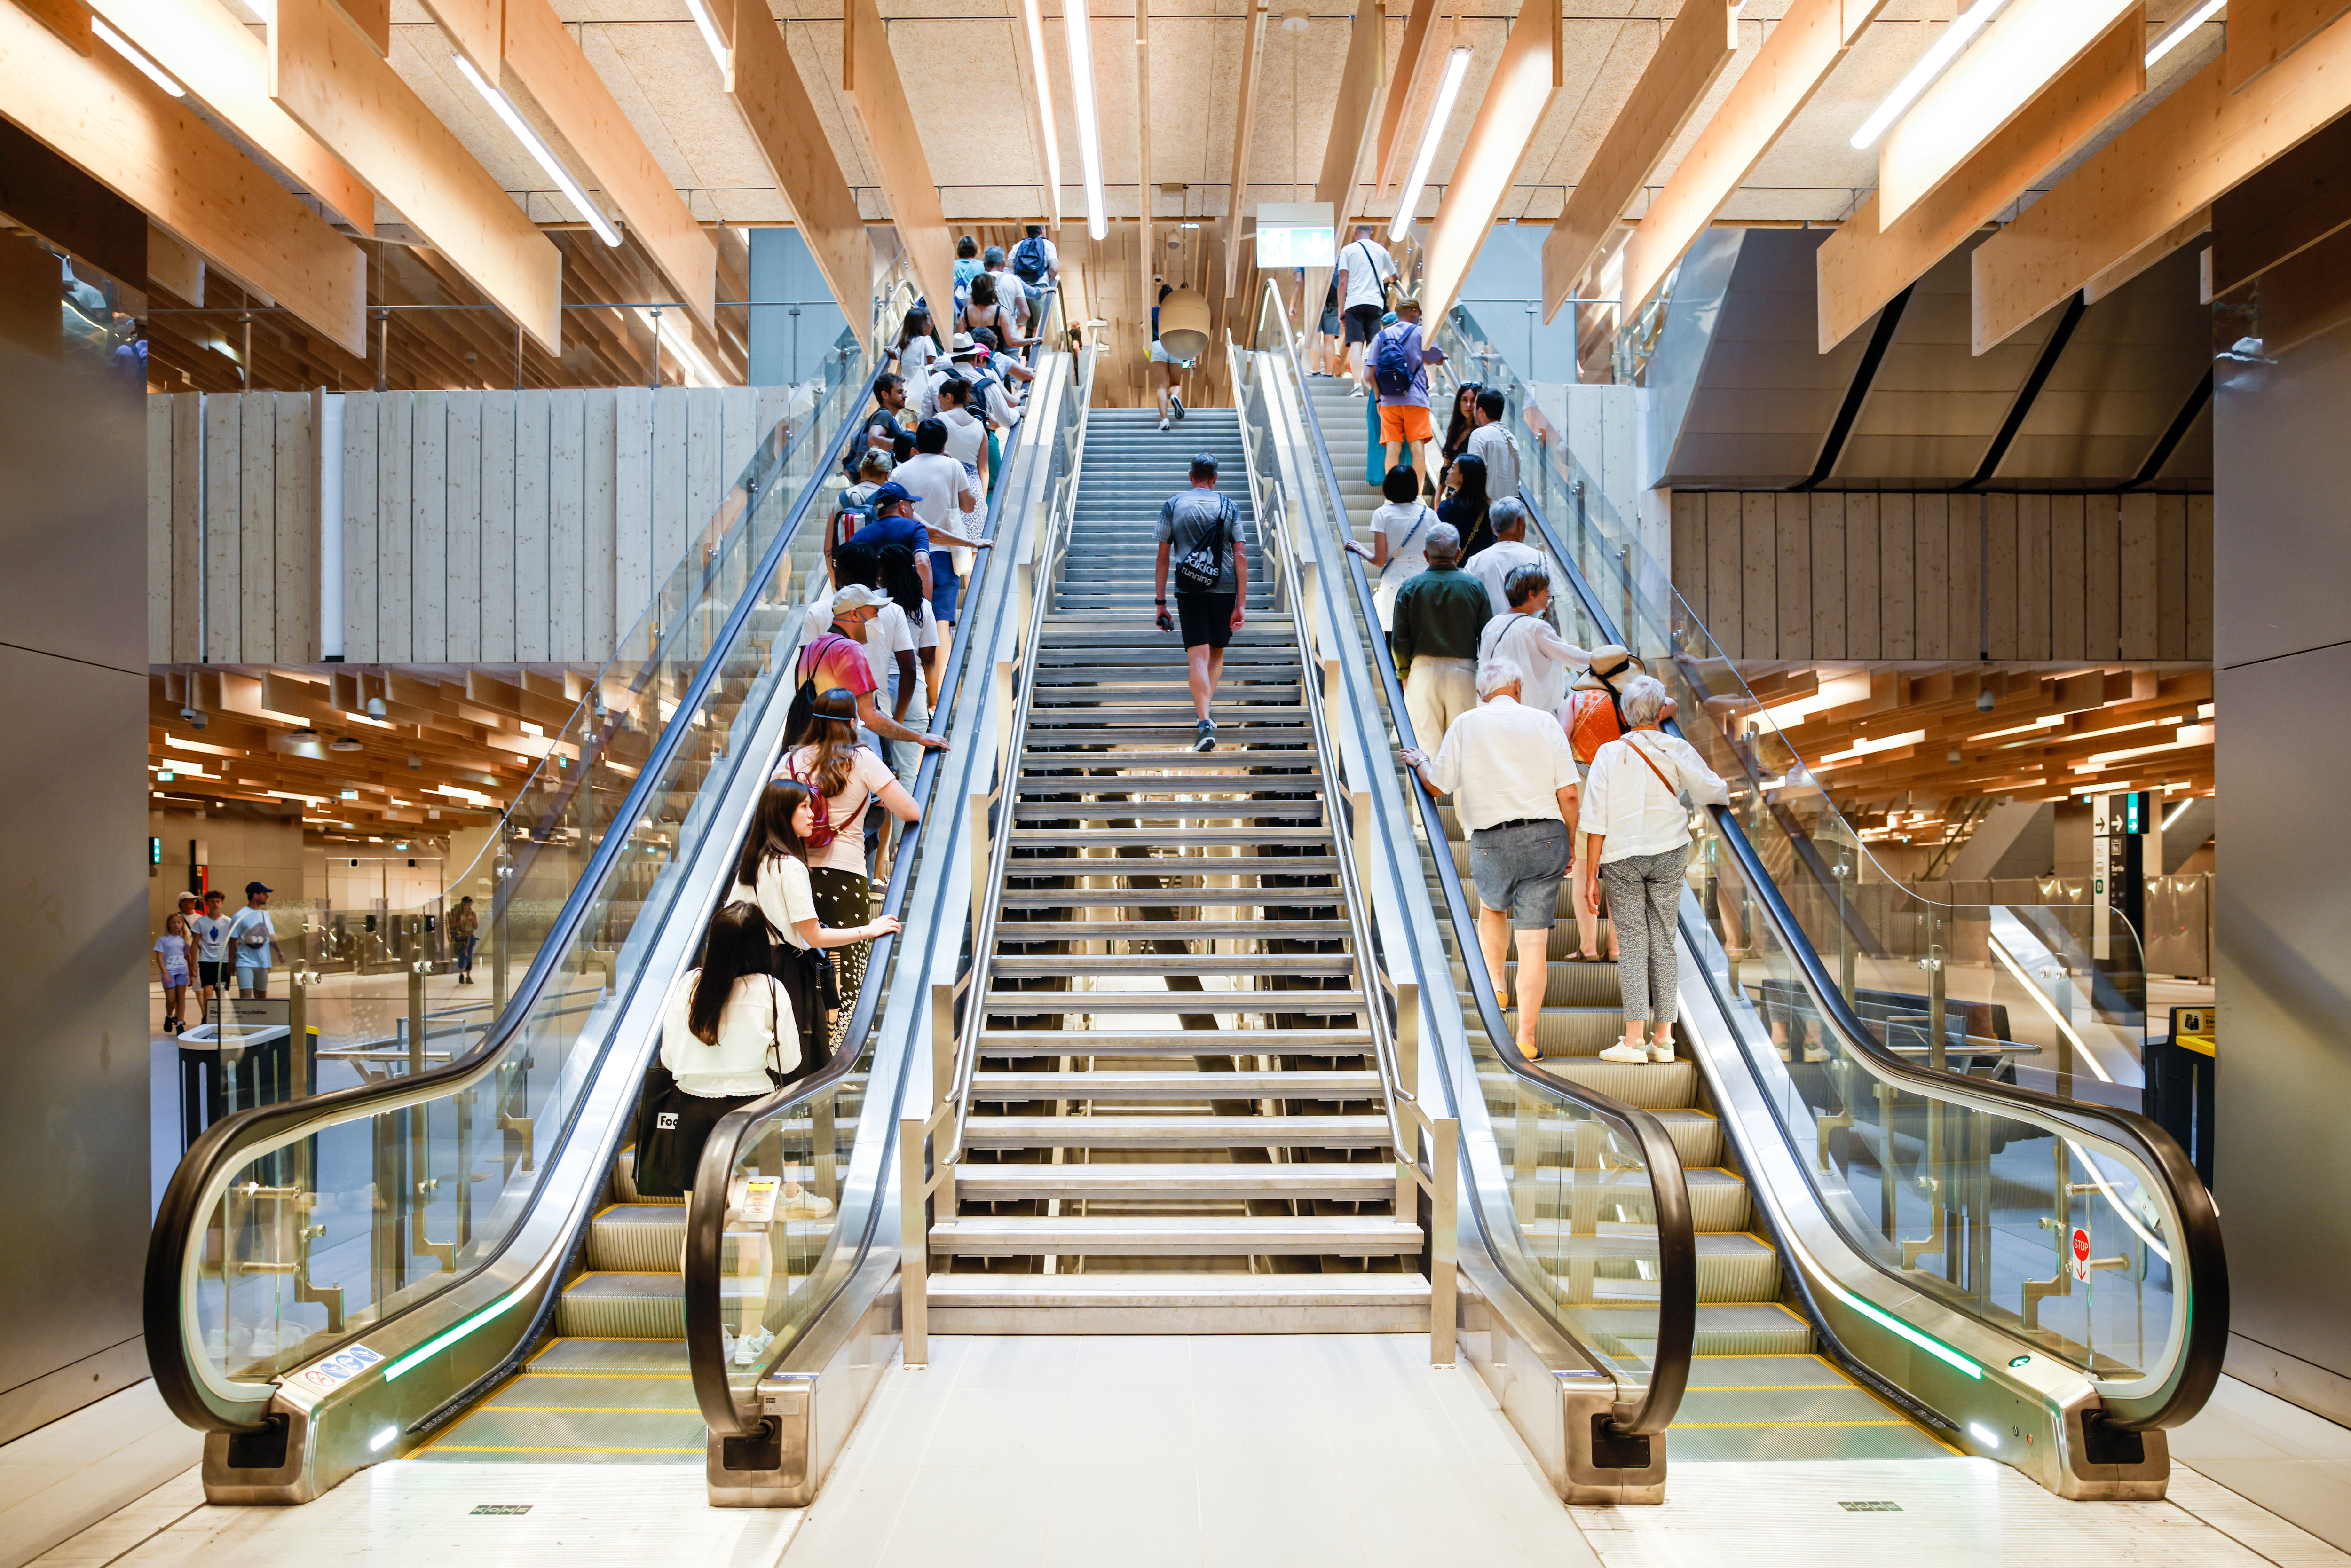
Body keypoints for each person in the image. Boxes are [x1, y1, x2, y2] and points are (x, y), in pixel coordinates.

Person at [1400, 657, 1580, 1061]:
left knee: (1492, 908)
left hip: (1490, 839)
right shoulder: (1545, 722)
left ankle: (1497, 986)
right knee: (1534, 942)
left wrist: (1420, 761)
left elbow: (1437, 785)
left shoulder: (1467, 723)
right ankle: (1527, 1038)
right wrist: (1569, 841)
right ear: (1517, 687)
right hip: (1545, 838)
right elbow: (1569, 793)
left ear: (1481, 693)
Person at [1578, 675, 1730, 1065]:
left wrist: (1592, 874)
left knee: (1633, 943)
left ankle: (1633, 1040)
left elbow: (1595, 819)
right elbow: (1712, 790)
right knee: (1663, 940)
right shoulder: (1676, 748)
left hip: (1622, 855)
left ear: (1625, 714)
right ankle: (1664, 1040)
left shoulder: (1608, 754)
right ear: (1662, 711)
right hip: (1668, 851)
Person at [730, 777, 903, 1075]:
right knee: (800, 1054)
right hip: (790, 971)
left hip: (754, 968)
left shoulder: (754, 863)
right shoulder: (791, 866)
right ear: (783, 814)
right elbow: (814, 935)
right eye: (805, 807)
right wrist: (869, 929)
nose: (813, 814)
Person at [779, 688, 924, 1042]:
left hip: (797, 874)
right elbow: (911, 811)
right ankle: (836, 1048)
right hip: (846, 878)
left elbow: (772, 811)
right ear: (852, 720)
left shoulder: (793, 762)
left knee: (798, 966)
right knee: (845, 968)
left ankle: (802, 1051)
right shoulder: (862, 760)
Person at [640, 904, 794, 1202]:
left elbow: (670, 1059)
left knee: (697, 1223)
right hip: (753, 1111)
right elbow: (788, 1062)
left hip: (691, 1111)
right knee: (755, 1223)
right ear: (759, 944)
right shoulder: (771, 990)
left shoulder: (689, 985)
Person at [1152, 452, 1247, 753]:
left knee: (1198, 654)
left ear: (1190, 476)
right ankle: (1206, 712)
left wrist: (1161, 603)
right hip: (1226, 587)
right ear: (1215, 478)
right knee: (1217, 650)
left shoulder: (1174, 504)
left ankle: (1204, 721)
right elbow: (1242, 556)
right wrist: (1242, 603)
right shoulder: (1229, 506)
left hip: (1189, 588)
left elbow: (1163, 557)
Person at [796, 582, 948, 758]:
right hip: (846, 750)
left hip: (817, 747)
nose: (878, 619)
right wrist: (919, 736)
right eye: (875, 612)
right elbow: (868, 715)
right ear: (855, 614)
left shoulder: (814, 647)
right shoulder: (849, 649)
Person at [1388, 522, 1488, 748]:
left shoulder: (1410, 587)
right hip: (1464, 672)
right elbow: (1488, 635)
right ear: (1459, 553)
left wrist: (1404, 673)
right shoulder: (1475, 587)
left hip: (1422, 673)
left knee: (1425, 749)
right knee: (1462, 747)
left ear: (1425, 555)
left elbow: (1400, 639)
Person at [893, 425, 988, 629]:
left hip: (907, 554)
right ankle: (943, 662)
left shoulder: (898, 473)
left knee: (908, 620)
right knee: (941, 622)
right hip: (944, 553)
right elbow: (969, 506)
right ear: (944, 443)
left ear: (917, 442)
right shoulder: (953, 466)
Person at [1369, 296, 1448, 494]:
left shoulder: (1382, 335)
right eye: (1419, 313)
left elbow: (1372, 371)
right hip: (1416, 400)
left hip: (1388, 401)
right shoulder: (1421, 332)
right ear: (1414, 312)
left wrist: (1379, 400)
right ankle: (1418, 495)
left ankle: (1391, 496)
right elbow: (1435, 359)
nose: (1420, 317)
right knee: (1417, 447)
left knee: (1392, 448)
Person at [1335, 225, 1396, 391]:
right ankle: (1372, 384)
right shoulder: (1381, 250)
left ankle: (1357, 386)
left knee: (1356, 343)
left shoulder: (1347, 250)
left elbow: (1343, 281)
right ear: (1371, 233)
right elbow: (1394, 277)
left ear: (1355, 233)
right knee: (1374, 344)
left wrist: (1342, 310)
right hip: (1375, 303)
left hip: (1354, 303)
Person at [1464, 497, 1546, 616]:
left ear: (1493, 529)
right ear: (1520, 523)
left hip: (1489, 632)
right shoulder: (1540, 559)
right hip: (1531, 632)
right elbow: (1549, 604)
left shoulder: (1475, 562)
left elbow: (1469, 606)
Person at [224, 882, 282, 999]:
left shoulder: (265, 915)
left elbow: (271, 936)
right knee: (246, 996)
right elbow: (232, 940)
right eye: (264, 894)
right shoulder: (240, 916)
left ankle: (260, 1017)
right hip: (245, 962)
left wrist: (280, 952)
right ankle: (246, 1017)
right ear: (256, 895)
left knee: (261, 996)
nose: (267, 896)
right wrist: (232, 962)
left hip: (263, 962)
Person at [1465, 386, 1521, 504]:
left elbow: (1473, 477)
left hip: (1487, 512)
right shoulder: (1511, 438)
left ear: (1481, 411)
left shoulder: (1479, 435)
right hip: (1510, 511)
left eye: (1475, 408)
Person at [1147, 284, 1188, 433]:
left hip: (1158, 344)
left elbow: (1142, 329)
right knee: (1175, 383)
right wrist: (1190, 357)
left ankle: (1165, 420)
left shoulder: (1152, 311)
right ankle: (1176, 397)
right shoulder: (1179, 313)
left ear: (1159, 298)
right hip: (1176, 345)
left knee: (1161, 386)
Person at [1439, 452, 1493, 559]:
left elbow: (1441, 544)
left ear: (1462, 477)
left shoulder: (1447, 508)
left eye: (1453, 468)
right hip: (1480, 569)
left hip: (1455, 571)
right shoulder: (1488, 510)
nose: (1449, 471)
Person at [962, 272, 1030, 355]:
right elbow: (1012, 342)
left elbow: (961, 339)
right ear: (992, 291)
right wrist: (1031, 341)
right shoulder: (1000, 312)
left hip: (973, 359)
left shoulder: (966, 312)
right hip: (996, 358)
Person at [192, 888, 229, 1026]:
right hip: (206, 960)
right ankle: (208, 1018)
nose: (215, 904)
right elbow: (195, 943)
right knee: (208, 989)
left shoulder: (228, 922)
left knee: (221, 991)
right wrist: (193, 964)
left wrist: (233, 962)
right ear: (207, 903)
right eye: (212, 902)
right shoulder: (201, 922)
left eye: (218, 902)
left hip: (223, 961)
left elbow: (233, 942)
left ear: (222, 904)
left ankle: (221, 1019)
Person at [154, 911, 192, 1034]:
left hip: (182, 970)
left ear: (182, 925)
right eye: (173, 923)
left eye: (179, 922)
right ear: (169, 925)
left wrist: (192, 971)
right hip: (169, 971)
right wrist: (164, 972)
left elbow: (188, 956)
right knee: (171, 999)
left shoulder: (184, 940)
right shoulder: (163, 940)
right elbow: (160, 957)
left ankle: (180, 1024)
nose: (176, 925)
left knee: (181, 998)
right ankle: (169, 1016)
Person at [1010, 224, 1059, 304]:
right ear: (1042, 229)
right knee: (1043, 315)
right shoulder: (1048, 244)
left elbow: (1010, 269)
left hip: (1021, 289)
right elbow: (1054, 269)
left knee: (1025, 315)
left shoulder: (1018, 246)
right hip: (1041, 285)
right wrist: (1050, 278)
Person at [892, 304, 940, 380]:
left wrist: (888, 349)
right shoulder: (926, 340)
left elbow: (893, 354)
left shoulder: (904, 345)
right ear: (921, 325)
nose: (931, 324)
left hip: (907, 386)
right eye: (928, 321)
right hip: (921, 386)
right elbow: (933, 366)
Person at [1316, 278, 1344, 375]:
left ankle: (1316, 373)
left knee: (1315, 337)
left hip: (1315, 301)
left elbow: (1299, 280)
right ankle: (1328, 374)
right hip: (1334, 303)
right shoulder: (1338, 263)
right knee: (1330, 341)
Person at [450, 895, 480, 985]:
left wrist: (473, 921)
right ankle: (461, 974)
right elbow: (452, 926)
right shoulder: (457, 914)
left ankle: (469, 976)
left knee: (469, 957)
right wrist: (462, 922)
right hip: (461, 938)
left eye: (470, 904)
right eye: (468, 904)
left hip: (470, 937)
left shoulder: (473, 914)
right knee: (462, 955)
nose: (469, 906)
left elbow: (476, 926)